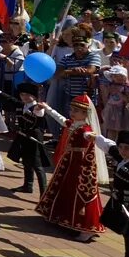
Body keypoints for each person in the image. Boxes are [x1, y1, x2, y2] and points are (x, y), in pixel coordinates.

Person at [37, 95, 105, 239]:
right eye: (72, 109)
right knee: (65, 188)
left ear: (85, 114)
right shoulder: (74, 124)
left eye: (76, 111)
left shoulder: (86, 129)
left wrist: (95, 137)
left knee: (80, 192)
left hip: (80, 166)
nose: (72, 113)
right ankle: (61, 217)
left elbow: (90, 136)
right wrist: (48, 108)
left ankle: (86, 227)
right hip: (69, 162)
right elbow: (61, 119)